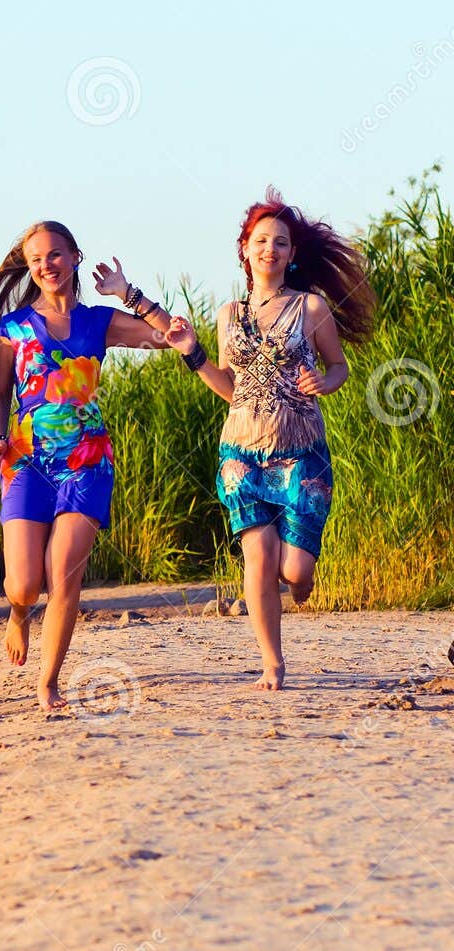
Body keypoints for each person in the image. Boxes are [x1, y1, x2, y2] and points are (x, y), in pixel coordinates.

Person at [165, 189, 376, 689]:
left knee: (295, 571)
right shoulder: (227, 314)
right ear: (245, 249)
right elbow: (231, 388)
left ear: (292, 254)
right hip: (242, 453)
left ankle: (302, 581)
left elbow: (339, 365)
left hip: (302, 451)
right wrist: (193, 353)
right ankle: (271, 662)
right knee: (258, 558)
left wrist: (326, 381)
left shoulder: (311, 307)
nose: (270, 250)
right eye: (261, 241)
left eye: (280, 243)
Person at [0, 221, 175, 713]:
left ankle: (48, 682)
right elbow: (0, 392)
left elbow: (169, 337)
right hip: (27, 461)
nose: (47, 265)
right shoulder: (15, 327)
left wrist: (129, 293)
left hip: (87, 460)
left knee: (64, 575)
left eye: (56, 255)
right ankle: (19, 613)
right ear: (29, 266)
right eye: (37, 258)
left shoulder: (99, 321)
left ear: (75, 257)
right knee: (23, 582)